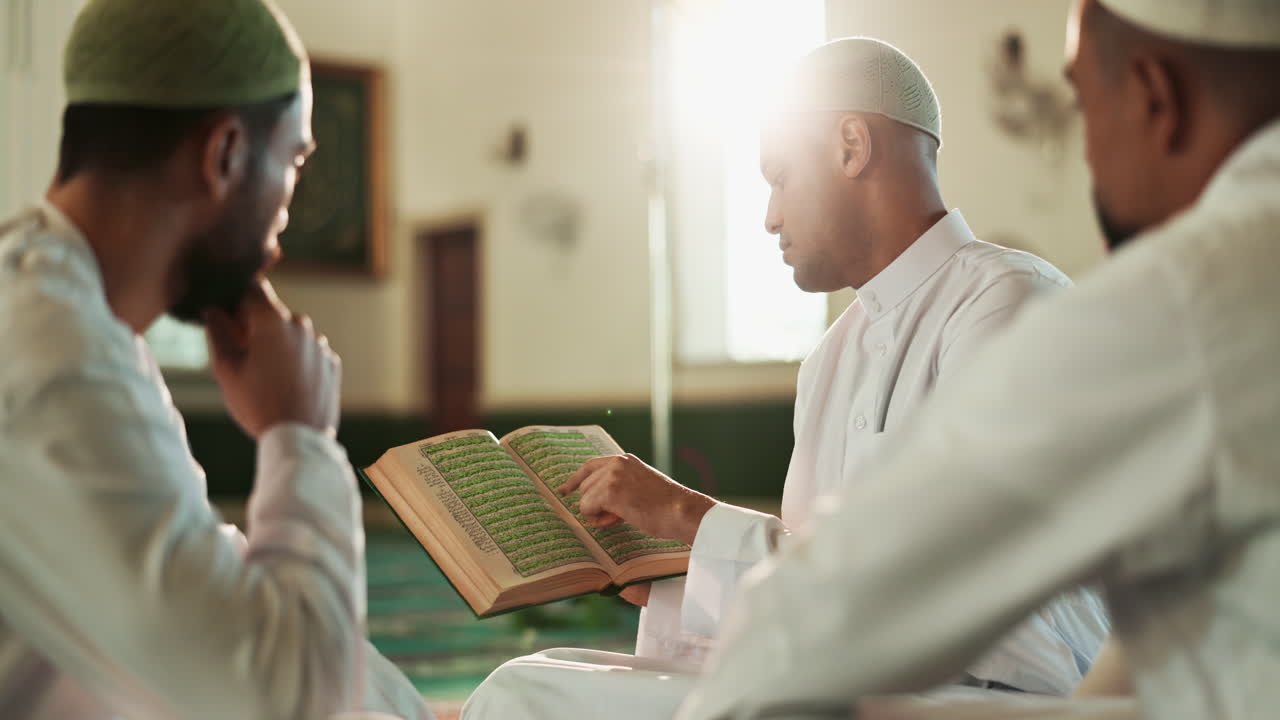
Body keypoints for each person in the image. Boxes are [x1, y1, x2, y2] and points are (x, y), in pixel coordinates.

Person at [462, 38, 1109, 720]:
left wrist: (688, 518)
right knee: (541, 677)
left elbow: (956, 596)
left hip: (991, 703)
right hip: (862, 688)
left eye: (780, 177)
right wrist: (672, 587)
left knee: (526, 697)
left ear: (851, 147)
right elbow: (819, 598)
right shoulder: (830, 360)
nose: (770, 216)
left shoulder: (1008, 302)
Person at [675, 0, 1280, 718]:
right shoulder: (829, 358)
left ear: (1155, 96)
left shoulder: (1182, 290)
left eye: (1084, 107)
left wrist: (696, 531)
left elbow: (828, 612)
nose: (1087, 156)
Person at [0, 1, 432, 718]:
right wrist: (300, 434)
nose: (284, 215)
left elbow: (196, 589)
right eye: (293, 161)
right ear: (225, 153)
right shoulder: (57, 361)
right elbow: (289, 703)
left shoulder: (62, 312)